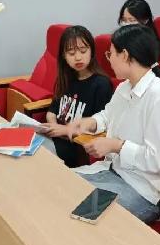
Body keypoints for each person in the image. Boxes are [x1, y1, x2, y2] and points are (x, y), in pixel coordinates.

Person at [66, 24, 160, 223]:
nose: (109, 59)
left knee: (82, 215)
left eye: (110, 53)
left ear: (125, 55)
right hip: (113, 172)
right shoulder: (125, 87)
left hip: (144, 190)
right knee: (61, 186)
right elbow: (108, 115)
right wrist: (91, 122)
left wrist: (117, 146)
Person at [41, 26, 113, 167]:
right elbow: (52, 111)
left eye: (83, 51)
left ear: (92, 51)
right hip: (56, 138)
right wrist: (54, 126)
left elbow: (100, 127)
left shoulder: (101, 84)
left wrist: (65, 131)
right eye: (71, 53)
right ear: (64, 56)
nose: (78, 57)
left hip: (76, 147)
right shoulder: (65, 78)